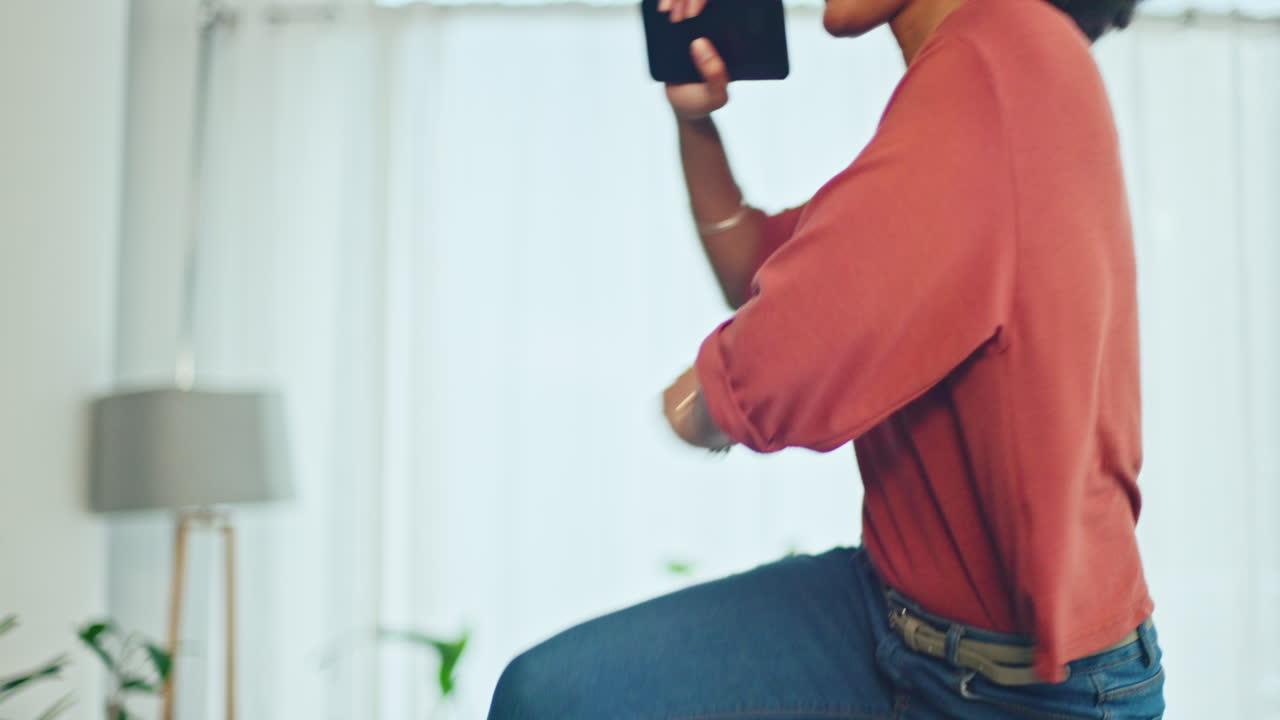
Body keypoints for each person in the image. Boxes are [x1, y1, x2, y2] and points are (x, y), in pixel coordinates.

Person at [488, 0, 1163, 716]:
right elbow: (756, 264)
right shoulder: (975, 78)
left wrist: (699, 402)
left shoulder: (1002, 55)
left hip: (1025, 692)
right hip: (890, 617)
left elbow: (773, 360)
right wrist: (695, 122)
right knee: (549, 695)